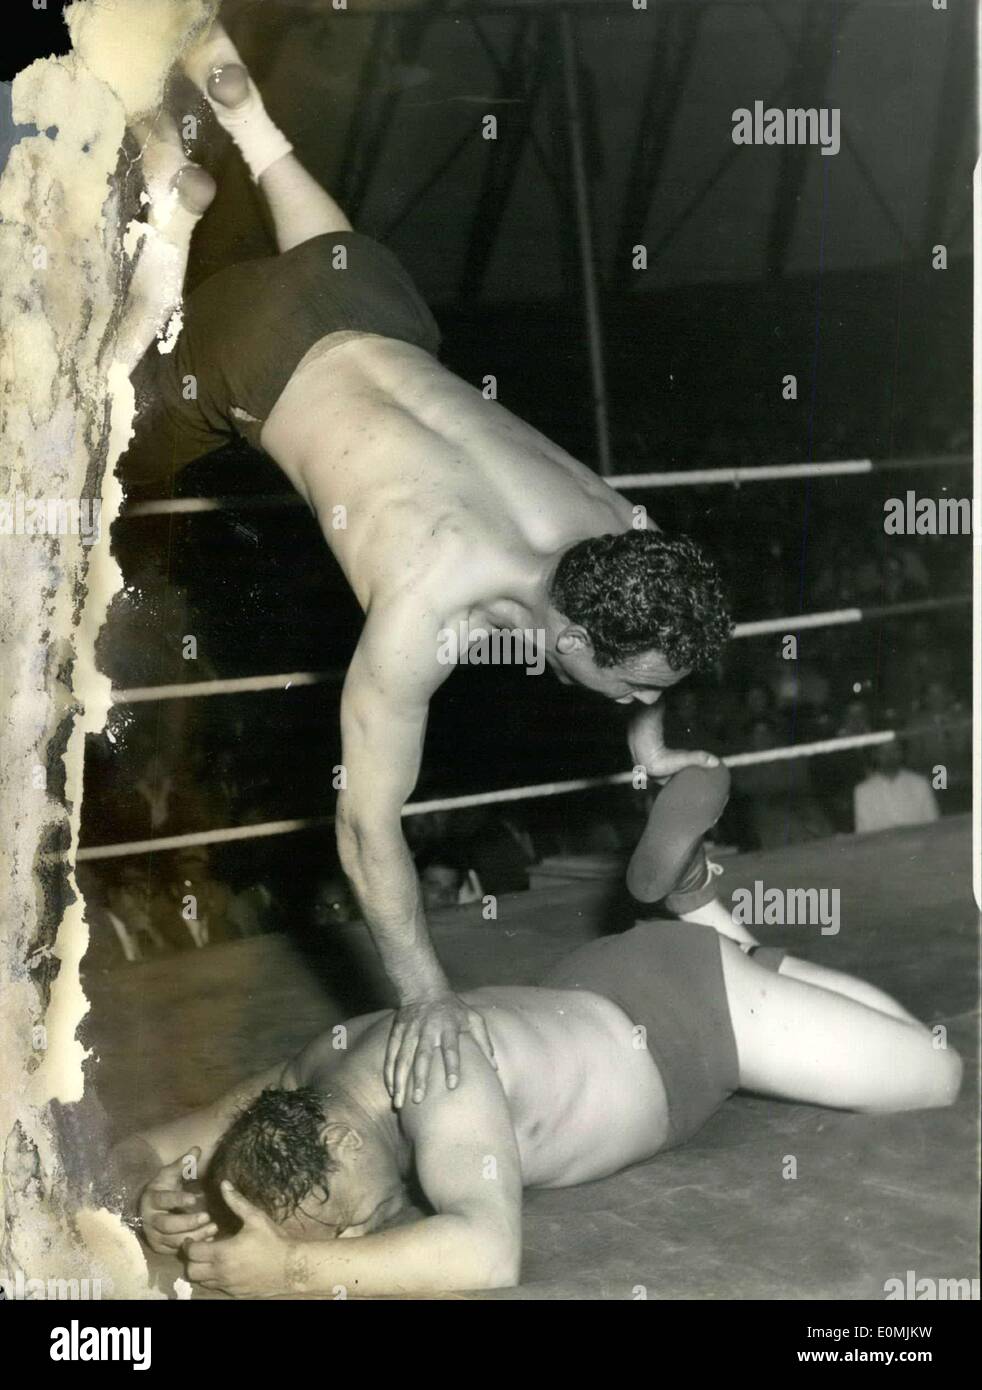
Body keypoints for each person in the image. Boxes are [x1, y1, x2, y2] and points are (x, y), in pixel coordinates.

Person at [117, 20, 732, 1103]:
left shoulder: (621, 525)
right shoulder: (427, 608)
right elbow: (362, 825)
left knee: (332, 270)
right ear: (575, 638)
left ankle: (250, 122)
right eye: (632, 689)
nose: (637, 700)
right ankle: (169, 222)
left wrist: (653, 742)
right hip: (254, 346)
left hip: (370, 291)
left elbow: (646, 644)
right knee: (101, 434)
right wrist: (427, 997)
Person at [111, 909, 961, 1298]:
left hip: (696, 1016)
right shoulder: (304, 1080)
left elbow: (488, 1256)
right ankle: (725, 931)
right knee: (889, 1041)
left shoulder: (444, 1085)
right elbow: (139, 1148)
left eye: (344, 1228)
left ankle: (713, 928)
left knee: (939, 1076)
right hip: (592, 993)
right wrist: (147, 1194)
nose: (360, 1241)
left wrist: (290, 1272)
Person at [853, 741, 940, 835]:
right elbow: (864, 833)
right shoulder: (863, 791)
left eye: (894, 750)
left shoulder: (920, 783)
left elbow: (933, 824)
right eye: (884, 752)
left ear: (901, 753)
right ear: (876, 755)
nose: (890, 756)